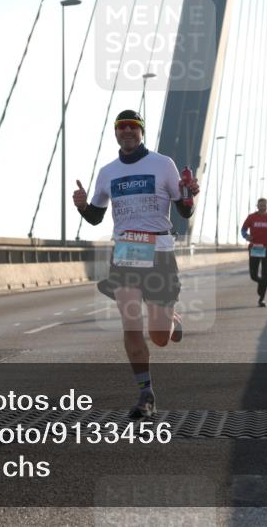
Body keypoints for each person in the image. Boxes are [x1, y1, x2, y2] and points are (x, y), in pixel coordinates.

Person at [73, 110, 197, 420]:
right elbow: (96, 216)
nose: (127, 131)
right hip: (127, 251)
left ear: (141, 131)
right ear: (115, 133)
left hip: (160, 250)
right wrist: (82, 206)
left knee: (159, 337)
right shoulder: (107, 172)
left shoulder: (162, 164)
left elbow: (183, 210)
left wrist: (188, 195)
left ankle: (172, 319)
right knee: (131, 323)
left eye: (133, 127)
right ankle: (146, 394)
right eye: (121, 127)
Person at [241, 199, 267, 307]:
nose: (262, 206)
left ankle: (262, 298)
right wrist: (246, 236)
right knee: (253, 275)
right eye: (260, 205)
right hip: (254, 248)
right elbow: (243, 229)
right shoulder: (251, 217)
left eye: (264, 205)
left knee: (265, 274)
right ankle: (260, 282)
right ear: (257, 206)